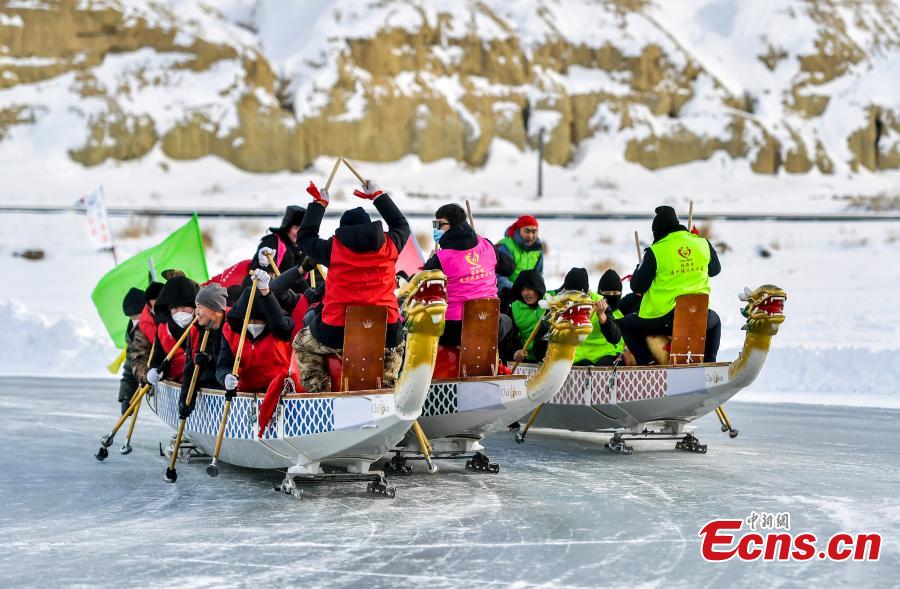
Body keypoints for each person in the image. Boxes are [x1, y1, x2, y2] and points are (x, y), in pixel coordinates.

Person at [292, 178, 409, 393]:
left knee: (301, 343)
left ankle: (321, 394)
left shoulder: (332, 249)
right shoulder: (390, 245)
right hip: (385, 330)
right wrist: (378, 196)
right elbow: (401, 225)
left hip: (336, 331)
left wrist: (318, 205)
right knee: (397, 345)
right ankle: (387, 390)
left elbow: (304, 237)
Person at [618, 206, 722, 365]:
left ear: (657, 231)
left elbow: (637, 286)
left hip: (665, 318)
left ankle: (647, 363)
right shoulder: (702, 243)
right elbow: (715, 270)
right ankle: (709, 363)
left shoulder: (656, 251)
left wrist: (641, 267)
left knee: (625, 324)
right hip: (698, 315)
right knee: (715, 321)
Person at [421, 203, 514, 347]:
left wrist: (429, 262)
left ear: (455, 226)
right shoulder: (486, 245)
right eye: (435, 224)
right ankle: (494, 357)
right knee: (507, 322)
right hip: (490, 322)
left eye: (439, 225)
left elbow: (421, 286)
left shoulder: (441, 258)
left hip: (455, 329)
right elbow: (509, 268)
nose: (436, 229)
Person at [216, 269, 295, 392]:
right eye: (249, 320)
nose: (253, 324)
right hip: (245, 394)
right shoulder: (229, 330)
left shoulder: (281, 326)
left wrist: (266, 293)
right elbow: (223, 366)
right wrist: (225, 377)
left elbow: (279, 324)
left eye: (258, 320)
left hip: (279, 392)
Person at [178, 283, 228, 418]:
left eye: (200, 307)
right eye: (196, 307)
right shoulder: (196, 329)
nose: (196, 312)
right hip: (205, 390)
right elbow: (189, 369)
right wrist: (185, 400)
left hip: (227, 393)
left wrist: (211, 360)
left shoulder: (232, 328)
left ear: (216, 309)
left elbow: (235, 365)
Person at [146, 275, 199, 386]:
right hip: (175, 386)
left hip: (200, 385)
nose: (180, 312)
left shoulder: (204, 327)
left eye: (185, 307)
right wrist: (156, 371)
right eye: (175, 308)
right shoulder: (162, 330)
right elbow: (158, 358)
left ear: (195, 307)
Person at [572, 269, 625, 366]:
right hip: (577, 357)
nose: (611, 296)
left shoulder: (606, 304)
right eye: (607, 293)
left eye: (615, 293)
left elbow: (615, 337)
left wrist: (603, 318)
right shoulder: (563, 304)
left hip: (605, 355)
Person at [497, 215, 543, 300]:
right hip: (506, 294)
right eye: (527, 231)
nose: (531, 236)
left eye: (534, 231)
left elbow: (538, 275)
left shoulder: (537, 249)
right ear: (519, 230)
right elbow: (498, 275)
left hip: (527, 295)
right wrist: (515, 291)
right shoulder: (505, 247)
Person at [508, 270, 549, 364]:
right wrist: (516, 352)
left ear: (538, 288)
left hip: (550, 358)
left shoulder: (551, 303)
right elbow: (511, 338)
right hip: (528, 360)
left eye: (529, 288)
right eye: (522, 289)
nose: (525, 293)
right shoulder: (514, 308)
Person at [130, 281, 163, 386]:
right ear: (150, 308)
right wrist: (147, 374)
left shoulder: (184, 313)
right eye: (157, 307)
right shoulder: (142, 328)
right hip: (163, 380)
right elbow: (138, 360)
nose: (161, 309)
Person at [119, 287, 145, 414]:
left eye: (136, 316)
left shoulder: (160, 326)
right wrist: (126, 396)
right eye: (131, 317)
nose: (134, 320)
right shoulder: (132, 333)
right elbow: (131, 364)